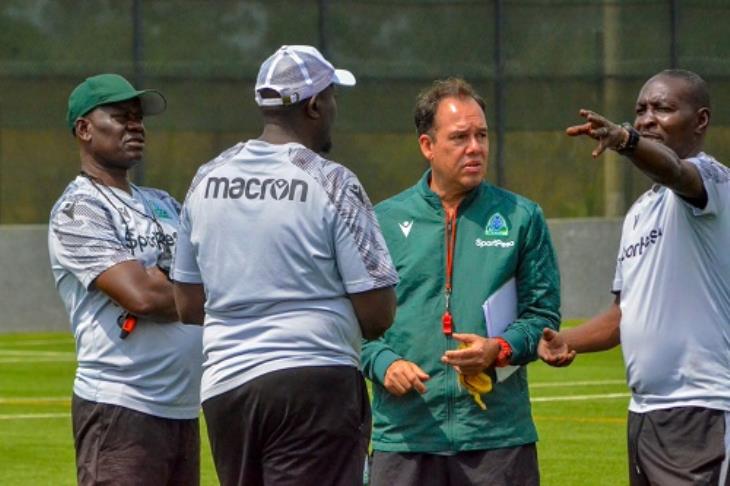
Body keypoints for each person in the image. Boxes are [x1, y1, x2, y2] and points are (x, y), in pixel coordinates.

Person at [171, 45, 398, 486]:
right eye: (331, 97)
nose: (334, 108)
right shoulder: (332, 181)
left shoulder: (205, 178)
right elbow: (378, 314)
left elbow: (187, 304)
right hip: (315, 382)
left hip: (227, 389)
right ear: (314, 105)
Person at [361, 77, 561, 486]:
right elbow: (351, 321)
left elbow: (541, 313)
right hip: (404, 436)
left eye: (482, 135)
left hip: (498, 438)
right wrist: (385, 363)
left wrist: (499, 349)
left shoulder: (523, 217)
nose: (476, 147)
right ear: (427, 146)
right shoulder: (379, 220)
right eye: (460, 137)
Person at [539, 69, 730, 486]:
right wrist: (563, 340)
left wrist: (627, 142)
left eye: (663, 108)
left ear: (700, 120)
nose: (646, 119)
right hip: (644, 415)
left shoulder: (713, 181)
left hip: (704, 412)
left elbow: (678, 174)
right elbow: (621, 316)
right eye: (640, 110)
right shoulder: (640, 213)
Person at [48, 73, 203, 486]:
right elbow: (143, 297)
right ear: (84, 129)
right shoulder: (79, 209)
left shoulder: (164, 202)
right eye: (120, 117)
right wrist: (186, 288)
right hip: (120, 408)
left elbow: (215, 273)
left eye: (138, 118)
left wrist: (169, 281)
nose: (136, 126)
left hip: (183, 409)